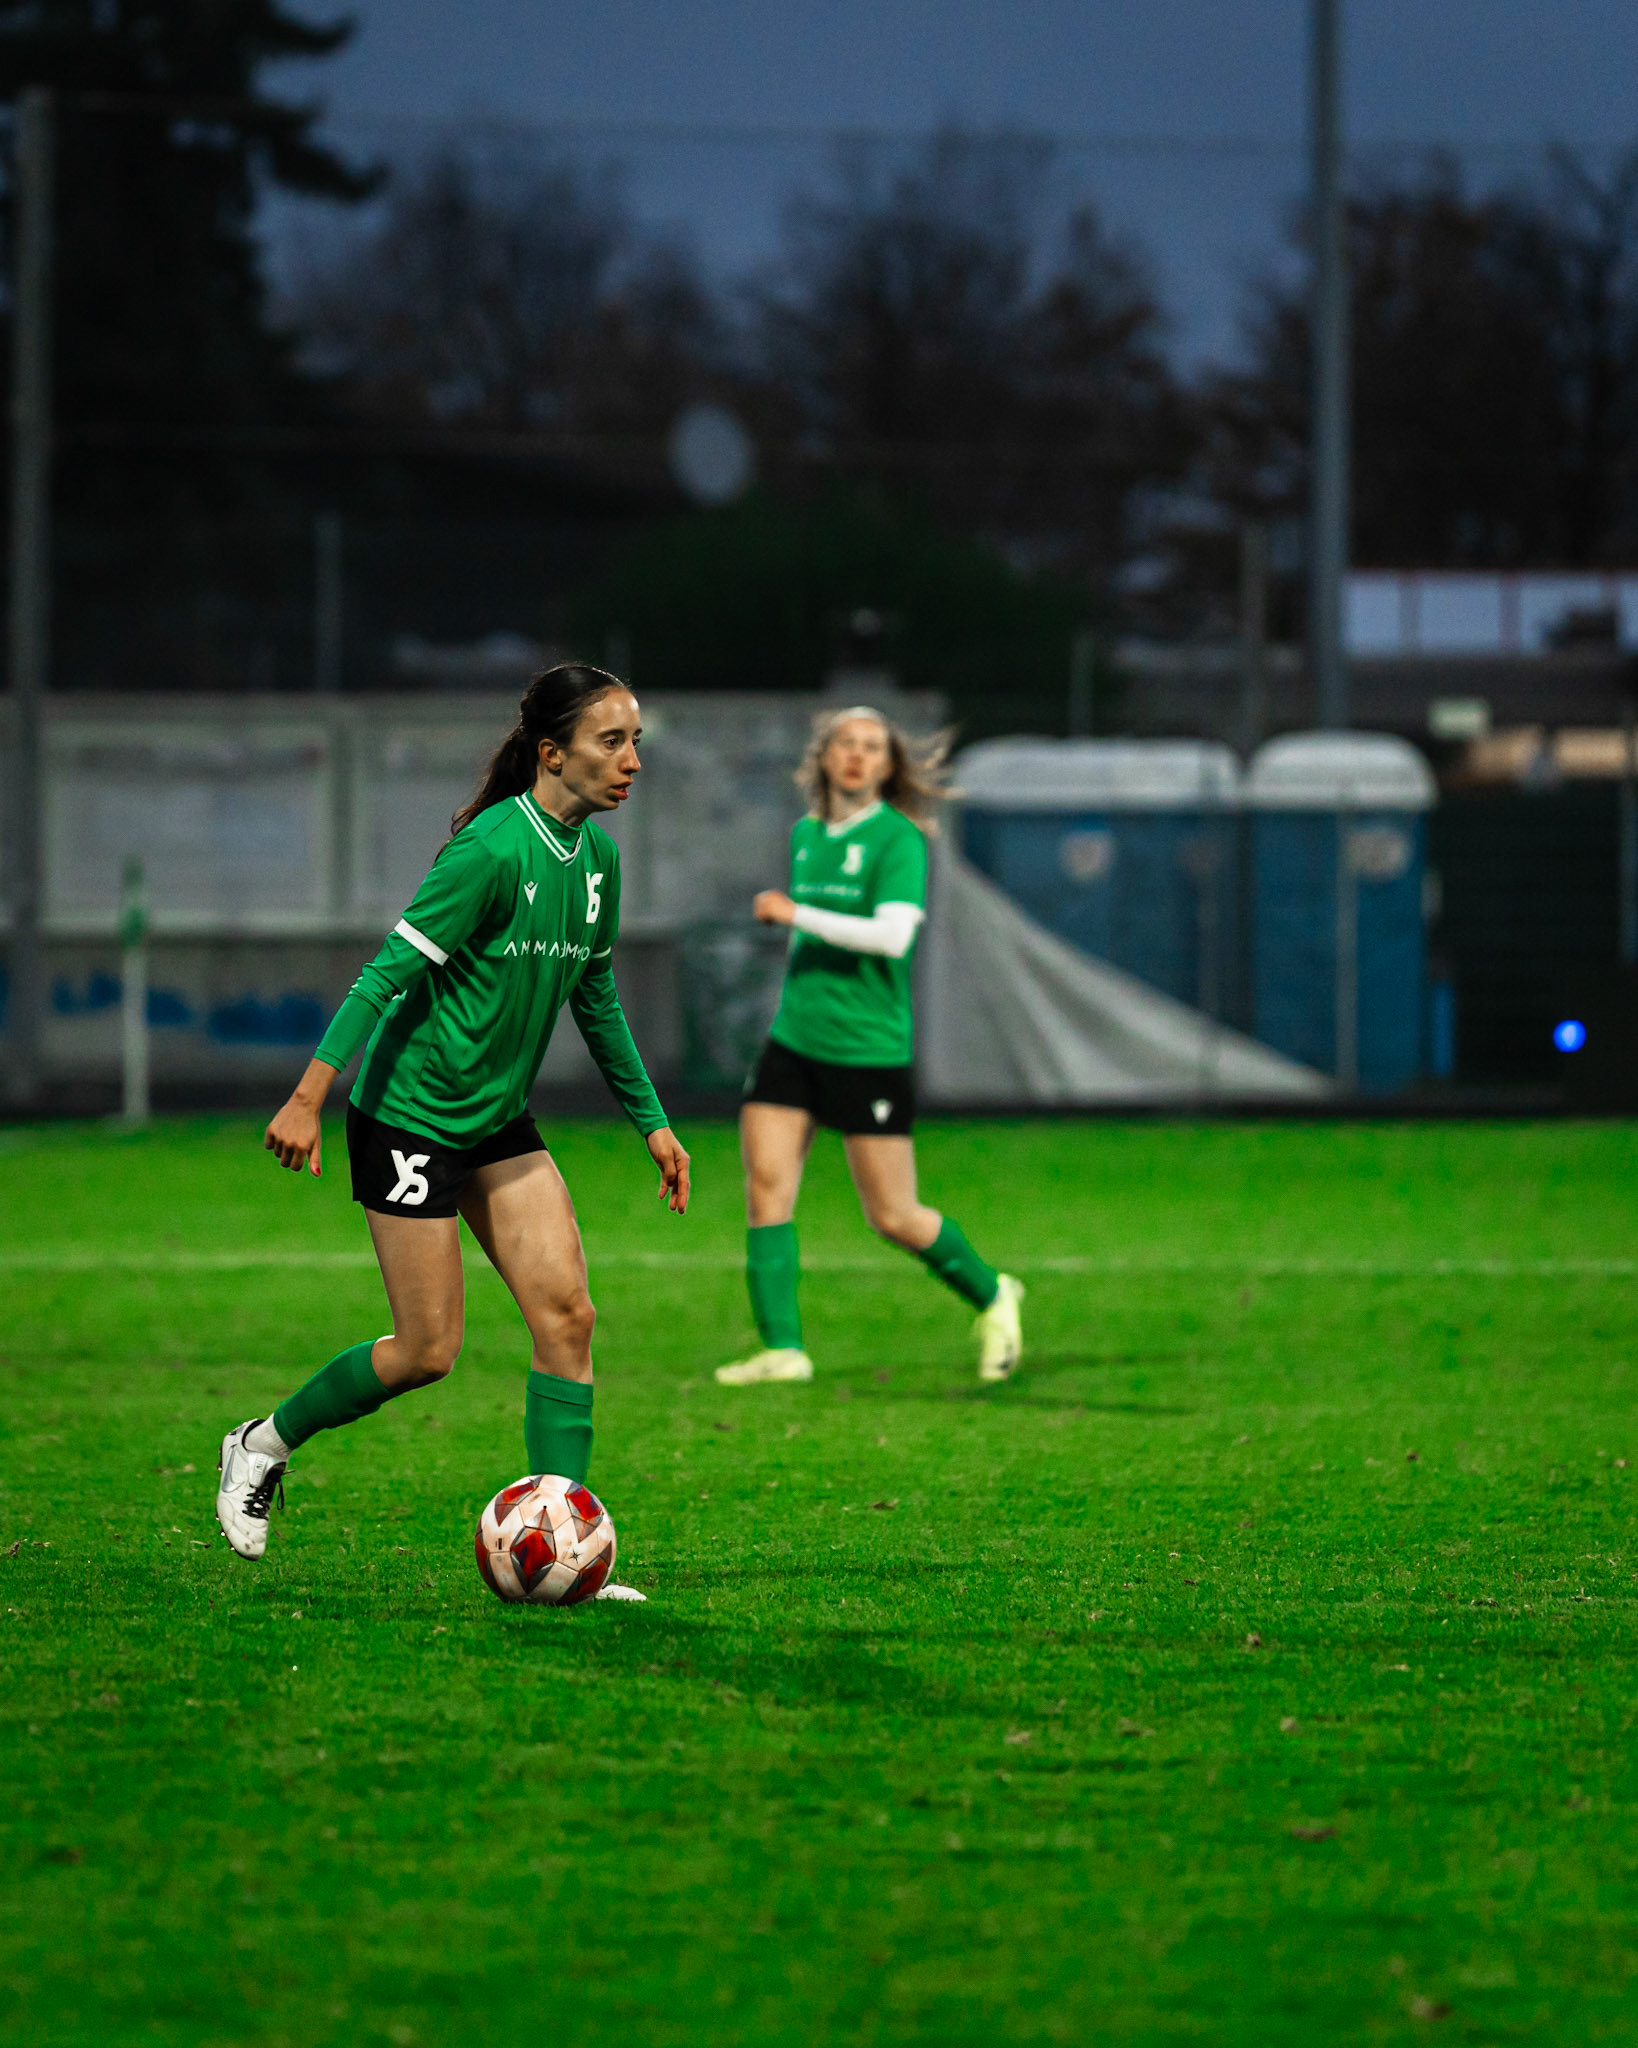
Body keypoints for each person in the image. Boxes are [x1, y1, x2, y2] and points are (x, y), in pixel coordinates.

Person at [215, 663, 690, 1592]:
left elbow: (594, 997)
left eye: (636, 741)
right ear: (552, 753)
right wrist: (309, 1097)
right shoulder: (489, 849)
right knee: (426, 1351)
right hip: (411, 1117)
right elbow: (385, 974)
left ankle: (564, 1545)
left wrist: (653, 1124)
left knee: (568, 1317)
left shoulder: (598, 861)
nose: (632, 760)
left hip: (496, 1119)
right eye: (612, 741)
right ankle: (261, 1443)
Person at [715, 705, 1022, 1387]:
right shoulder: (806, 835)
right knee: (766, 1190)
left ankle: (993, 1292)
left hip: (868, 1049)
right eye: (846, 743)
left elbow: (892, 938)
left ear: (888, 765)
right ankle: (784, 1349)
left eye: (872, 747)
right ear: (825, 757)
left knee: (892, 1215)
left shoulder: (899, 839)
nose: (857, 755)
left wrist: (797, 914)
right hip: (795, 1039)